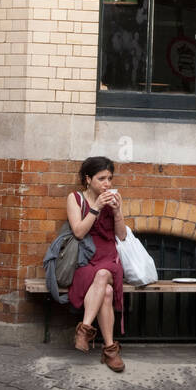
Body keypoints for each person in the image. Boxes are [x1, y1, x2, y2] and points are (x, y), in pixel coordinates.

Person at [66, 156, 128, 373]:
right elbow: (79, 232)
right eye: (101, 178)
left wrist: (118, 211)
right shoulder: (75, 199)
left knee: (103, 276)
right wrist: (96, 208)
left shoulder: (114, 200)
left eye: (110, 178)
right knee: (107, 292)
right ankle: (110, 349)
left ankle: (84, 330)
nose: (107, 183)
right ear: (88, 179)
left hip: (110, 260)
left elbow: (122, 236)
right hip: (85, 261)